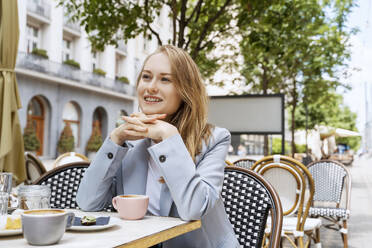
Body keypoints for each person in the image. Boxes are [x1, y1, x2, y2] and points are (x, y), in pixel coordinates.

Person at [76, 45, 239, 248]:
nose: (151, 87)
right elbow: (87, 203)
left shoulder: (214, 139)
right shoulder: (128, 140)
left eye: (165, 79)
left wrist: (169, 137)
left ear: (185, 91)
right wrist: (115, 140)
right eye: (146, 77)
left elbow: (194, 209)